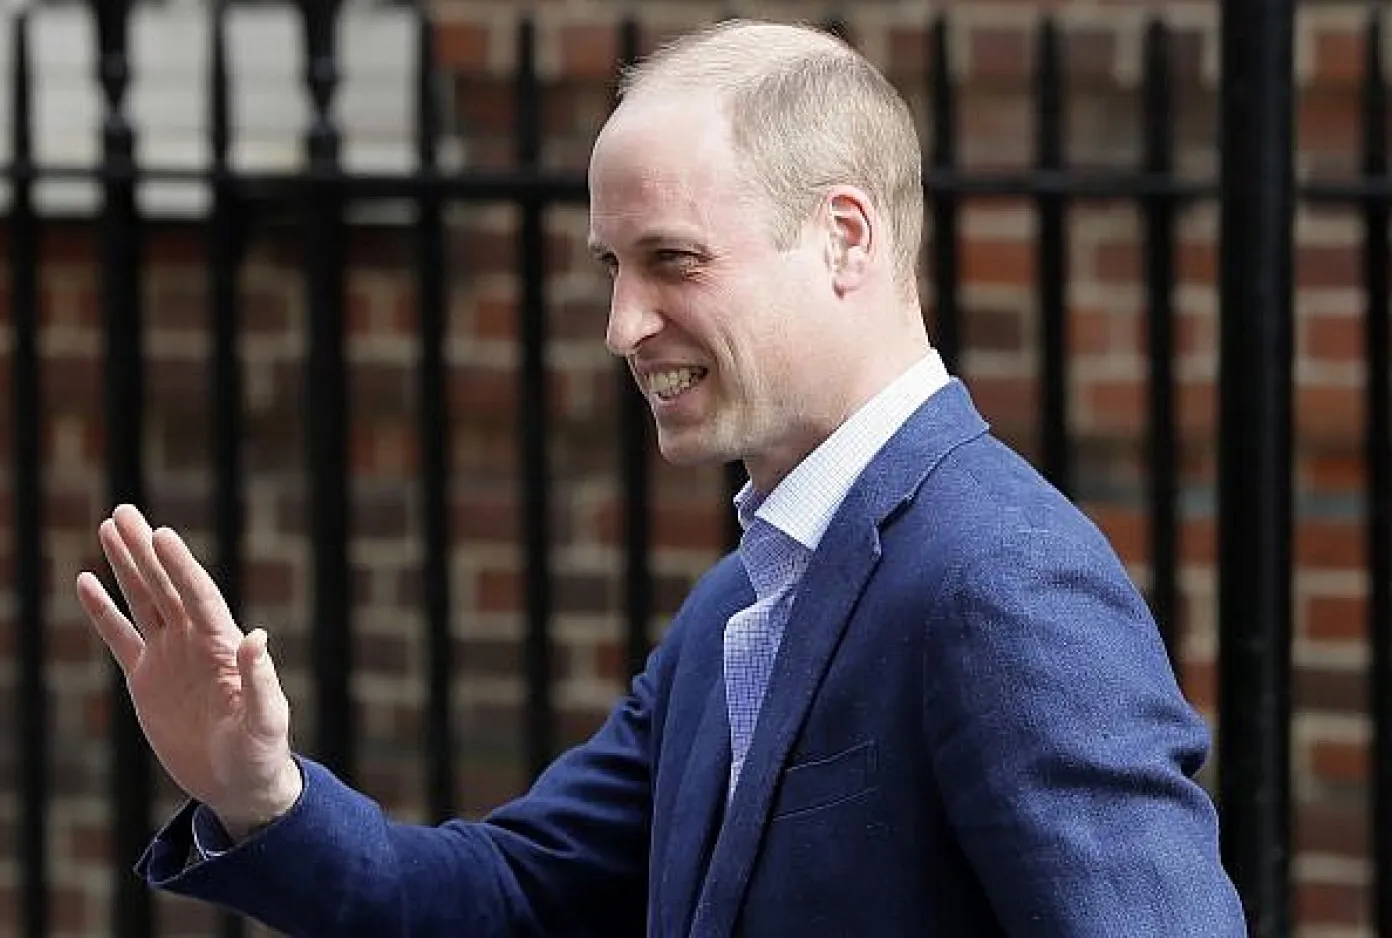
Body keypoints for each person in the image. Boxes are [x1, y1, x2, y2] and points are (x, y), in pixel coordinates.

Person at [76, 18, 1247, 937]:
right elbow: (514, 897)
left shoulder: (1000, 578)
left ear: (847, 237)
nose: (623, 322)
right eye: (612, 265)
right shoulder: (741, 600)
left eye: (674, 260)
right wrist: (263, 791)